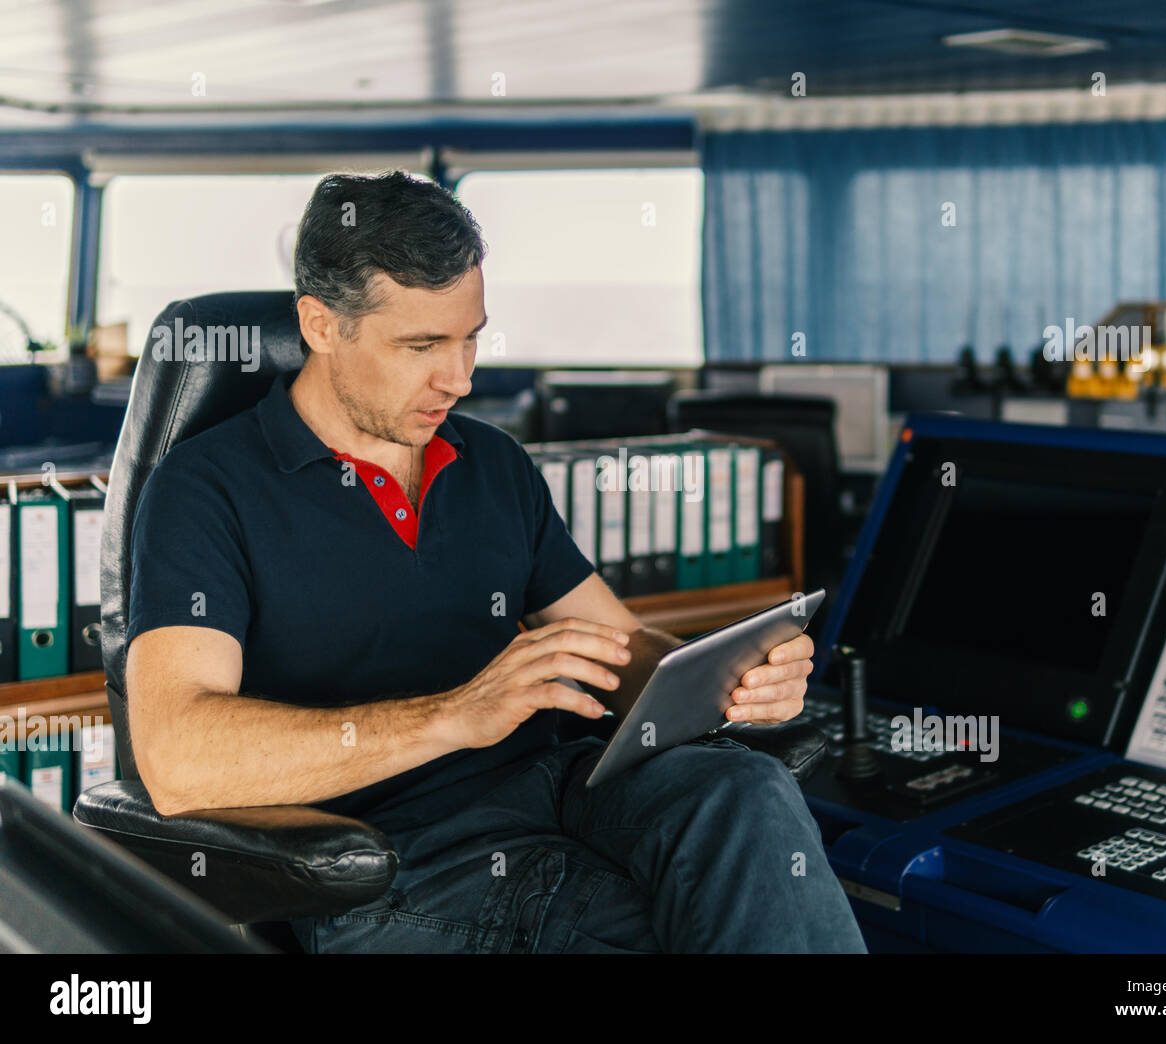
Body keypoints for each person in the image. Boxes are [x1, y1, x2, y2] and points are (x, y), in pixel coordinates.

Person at [125, 170, 866, 954]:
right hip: (388, 861)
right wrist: (454, 716)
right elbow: (178, 758)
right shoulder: (204, 489)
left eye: (471, 336)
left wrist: (726, 678)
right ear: (320, 324)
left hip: (556, 790)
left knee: (744, 786)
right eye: (422, 346)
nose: (461, 377)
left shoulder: (492, 461)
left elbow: (620, 651)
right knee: (664, 928)